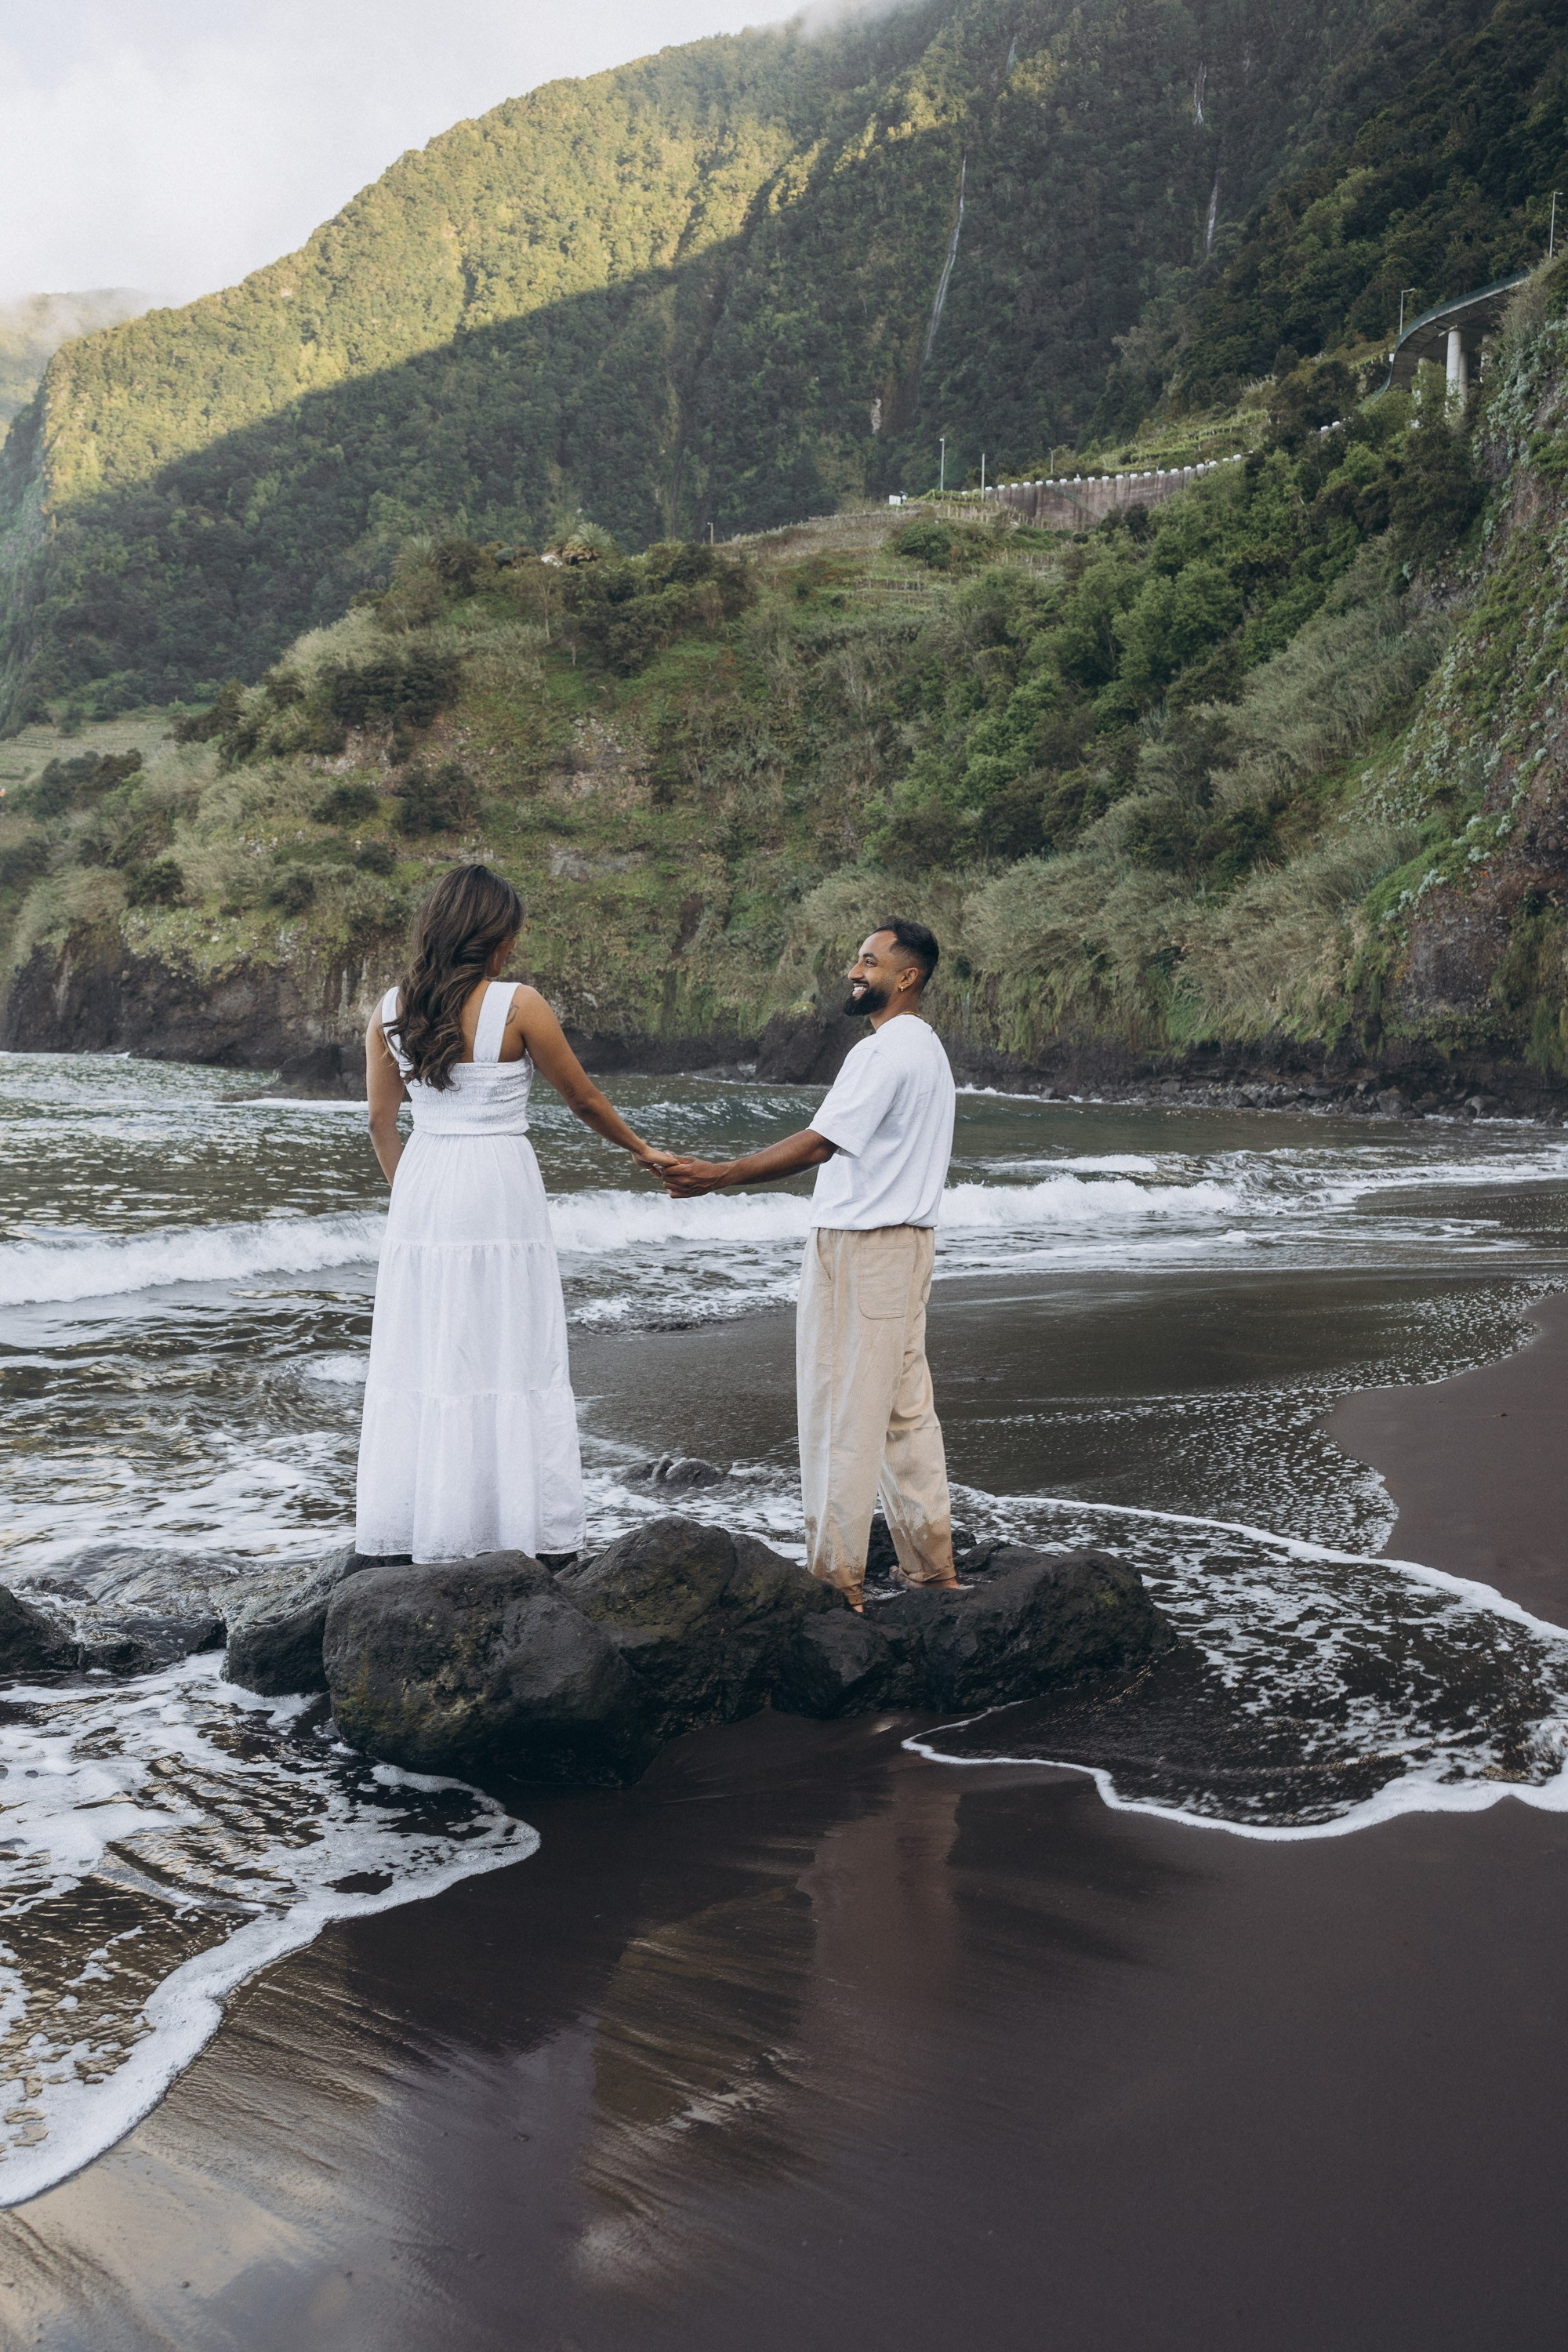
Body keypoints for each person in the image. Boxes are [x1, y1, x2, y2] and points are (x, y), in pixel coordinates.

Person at [356, 862, 671, 1566]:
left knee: (432, 1348)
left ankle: (422, 1525)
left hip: (426, 1184)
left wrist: (414, 1201)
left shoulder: (388, 1008)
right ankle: (515, 1529)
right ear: (495, 933)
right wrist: (645, 1152)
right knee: (508, 1345)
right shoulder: (519, 1004)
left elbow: (381, 1121)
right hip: (498, 1182)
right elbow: (584, 1102)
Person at [662, 921, 958, 1612]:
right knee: (904, 1416)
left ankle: (837, 1586)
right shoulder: (928, 1049)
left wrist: (720, 1175)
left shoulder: (884, 1053)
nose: (855, 970)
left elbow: (821, 1144)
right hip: (908, 1246)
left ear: (906, 977)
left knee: (840, 1417)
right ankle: (933, 1572)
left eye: (869, 961)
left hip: (861, 1249)